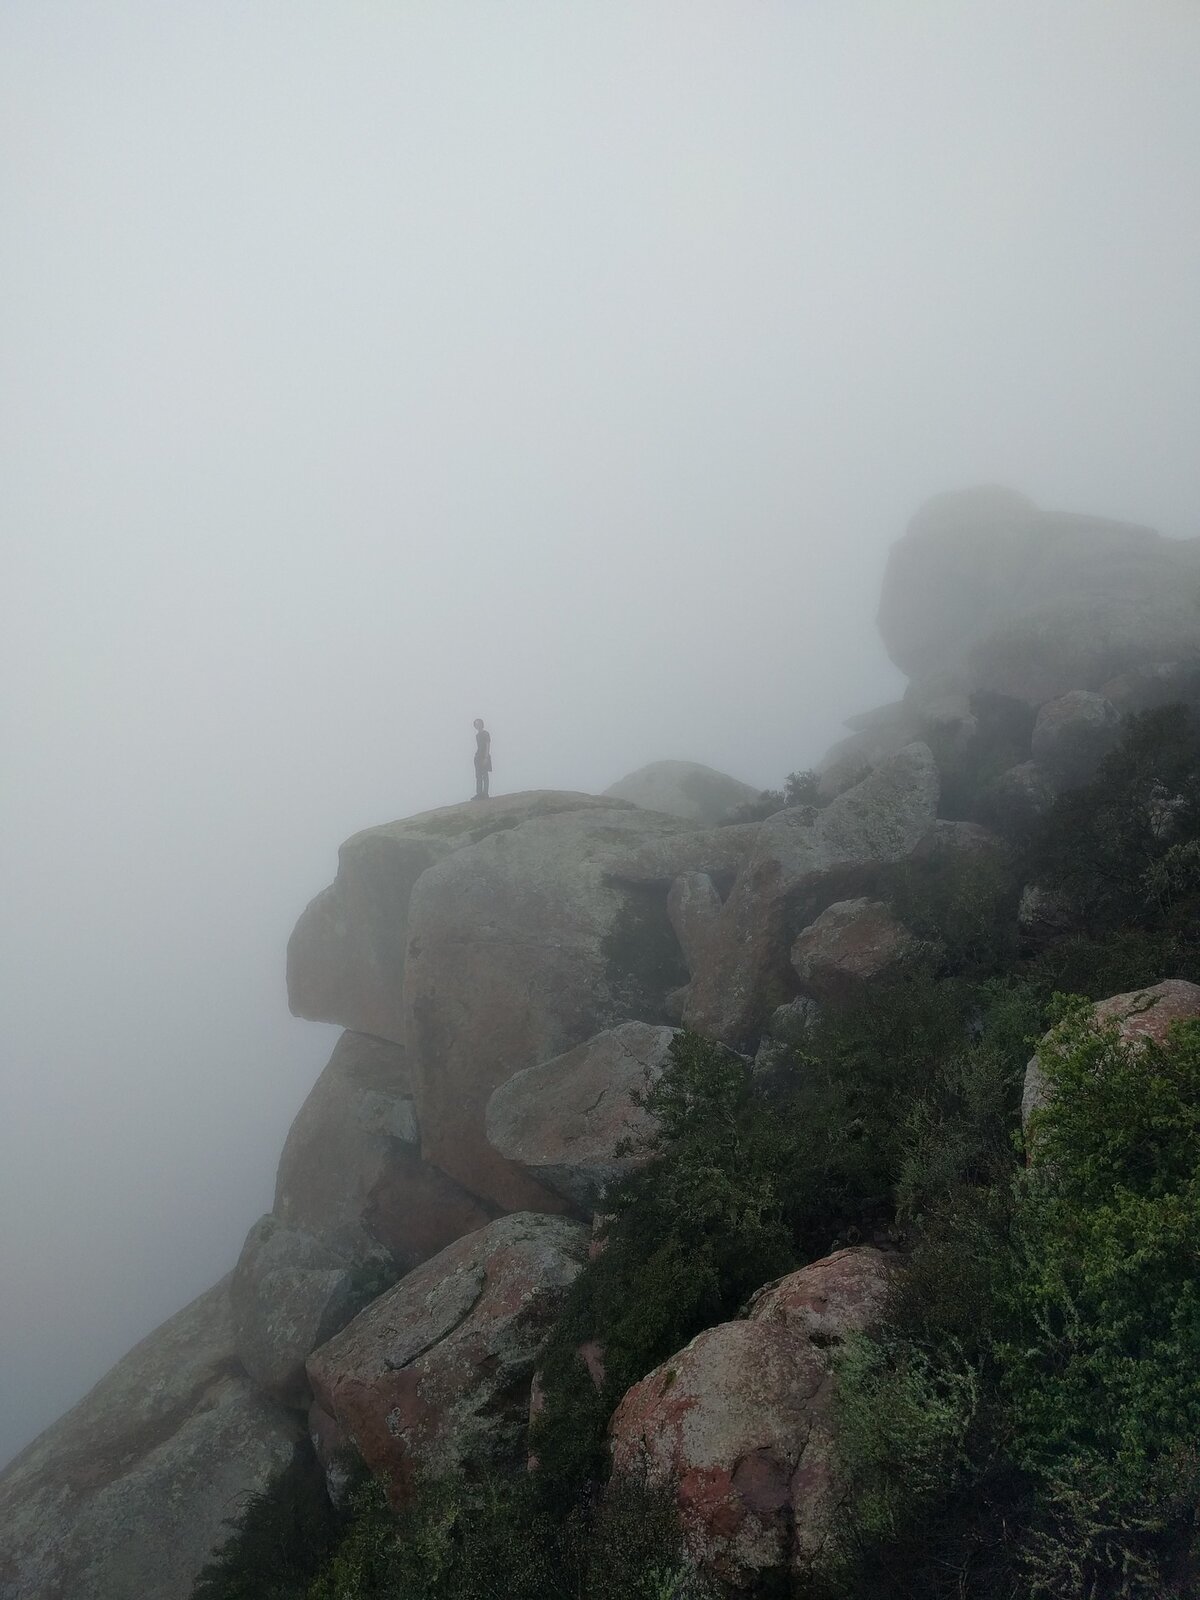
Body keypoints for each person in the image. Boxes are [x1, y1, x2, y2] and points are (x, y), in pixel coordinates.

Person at [472, 718, 492, 799]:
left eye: (479, 723)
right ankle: (479, 793)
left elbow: (488, 744)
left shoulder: (486, 733)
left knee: (485, 775)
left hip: (484, 756)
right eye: (476, 724)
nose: (477, 725)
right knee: (478, 775)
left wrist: (486, 757)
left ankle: (485, 793)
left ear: (482, 724)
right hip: (478, 756)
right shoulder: (477, 736)